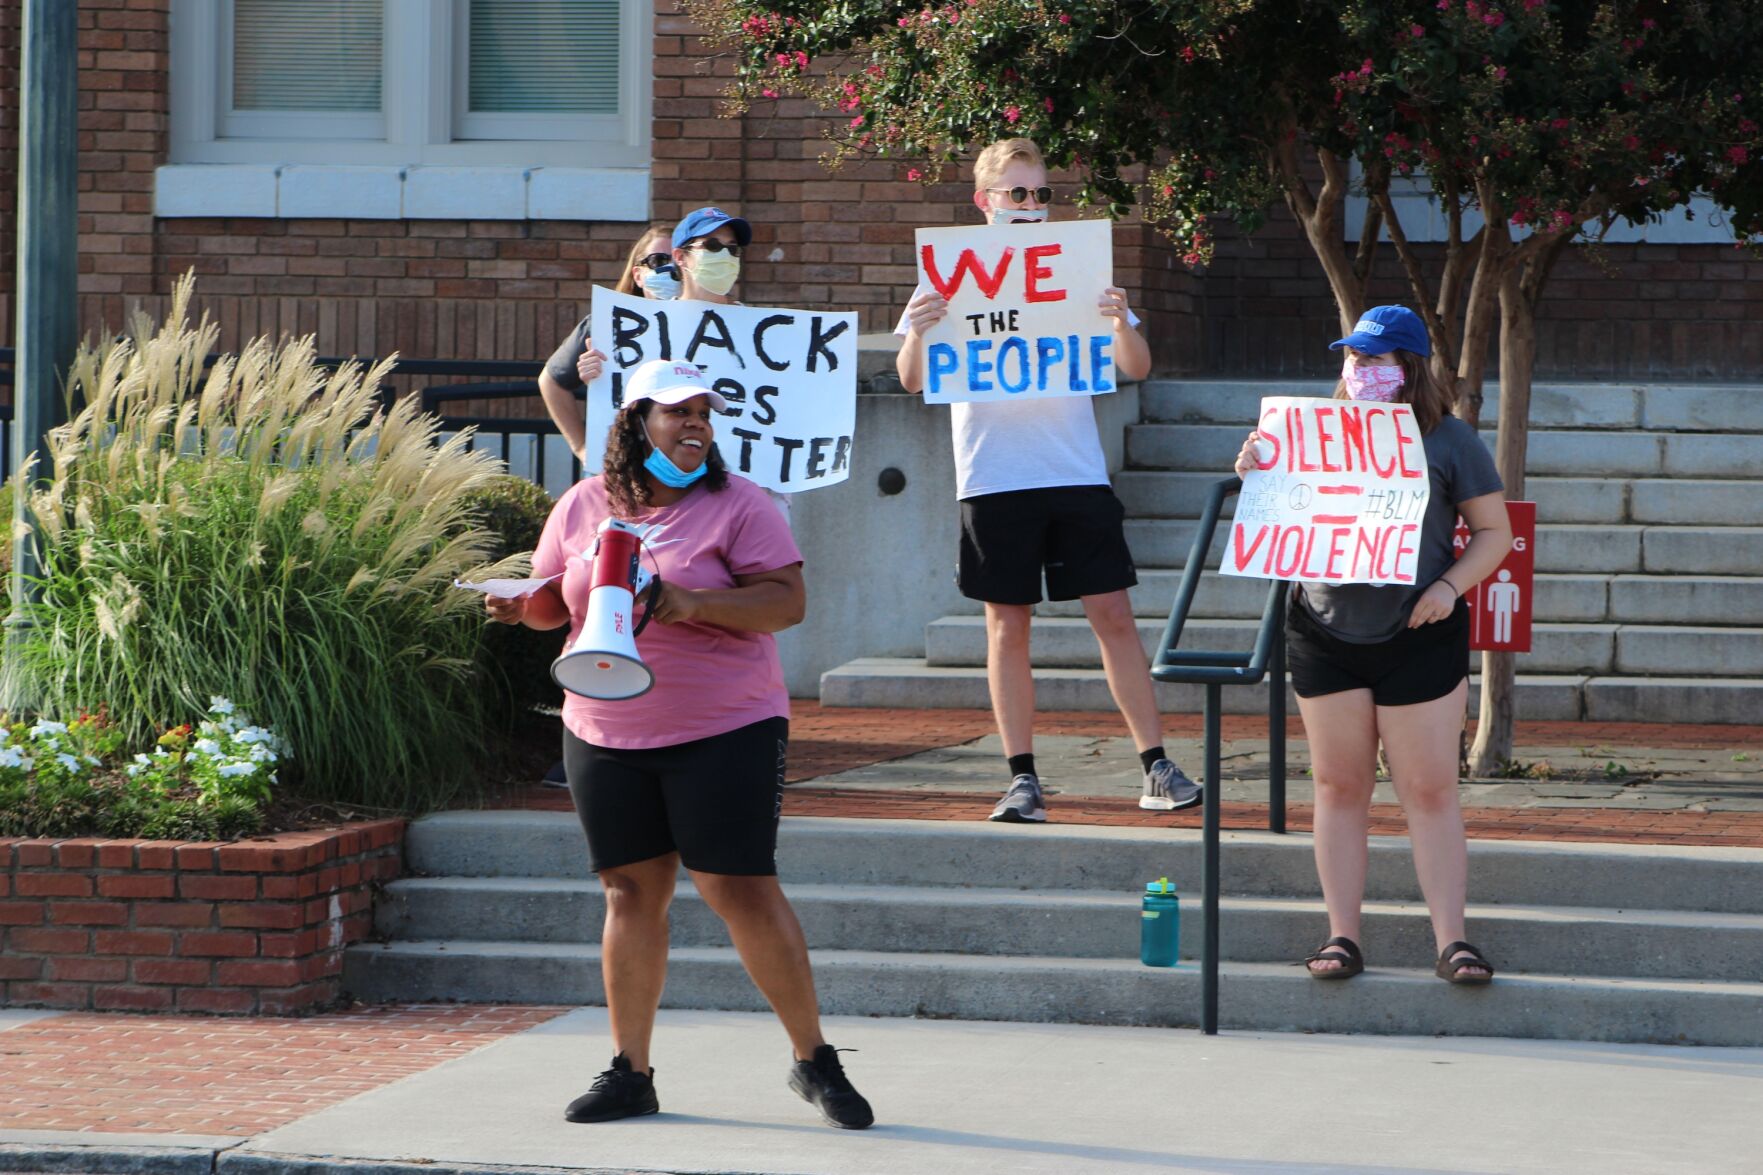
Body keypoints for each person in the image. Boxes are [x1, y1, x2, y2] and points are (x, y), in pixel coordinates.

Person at [487, 358, 874, 1129]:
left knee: (739, 888)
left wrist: (689, 600)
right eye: (678, 411)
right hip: (604, 725)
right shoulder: (582, 503)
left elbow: (787, 603)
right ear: (634, 423)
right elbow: (549, 603)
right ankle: (630, 1072)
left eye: (704, 412)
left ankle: (813, 1061)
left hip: (724, 724)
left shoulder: (740, 503)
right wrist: (517, 606)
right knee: (630, 891)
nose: (696, 423)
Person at [893, 136, 1201, 823]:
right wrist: (916, 331)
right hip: (992, 474)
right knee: (1006, 628)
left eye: (1041, 194)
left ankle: (1155, 764)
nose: (1031, 206)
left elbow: (1138, 365)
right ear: (985, 203)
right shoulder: (942, 276)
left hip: (1073, 469)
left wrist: (1120, 318)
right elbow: (913, 379)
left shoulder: (1077, 268)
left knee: (1113, 616)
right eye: (1017, 194)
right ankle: (1022, 777)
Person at [1232, 305, 1512, 985]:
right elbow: (1284, 512)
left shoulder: (1450, 441)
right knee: (1337, 783)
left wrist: (1448, 587)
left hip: (1418, 632)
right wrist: (1256, 474)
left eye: (1378, 359)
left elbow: (1493, 533)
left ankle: (1452, 940)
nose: (1362, 371)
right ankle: (1341, 935)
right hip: (1325, 629)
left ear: (1409, 369)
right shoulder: (1303, 435)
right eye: (1354, 358)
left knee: (1427, 786)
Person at [540, 223, 682, 463]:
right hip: (626, 464)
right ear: (638, 275)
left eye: (678, 262)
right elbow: (551, 382)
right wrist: (582, 447)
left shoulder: (714, 330)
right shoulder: (605, 327)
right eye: (659, 260)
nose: (669, 270)